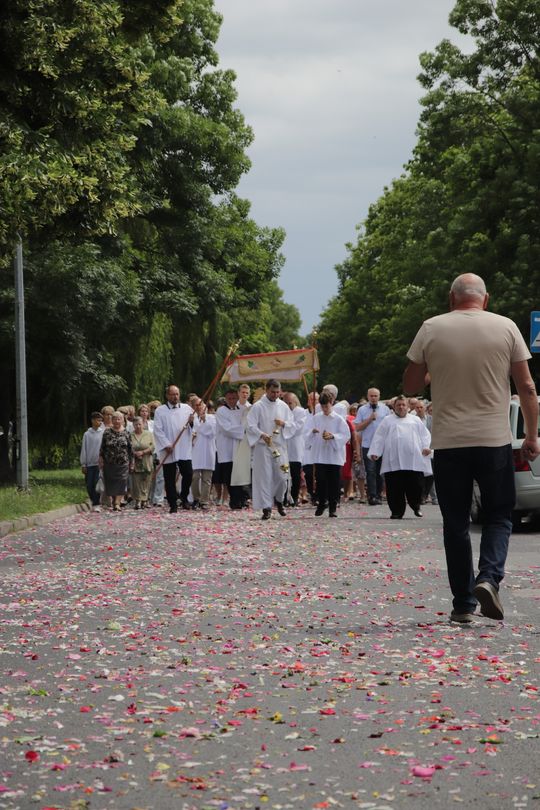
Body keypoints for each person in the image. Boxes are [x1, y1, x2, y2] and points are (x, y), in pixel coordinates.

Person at [404, 272, 540, 623]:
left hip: (449, 442)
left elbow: (411, 384)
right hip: (493, 439)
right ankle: (488, 578)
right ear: (486, 299)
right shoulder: (506, 326)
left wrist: (436, 369)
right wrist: (532, 435)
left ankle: (463, 605)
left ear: (451, 298)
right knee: (498, 515)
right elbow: (525, 386)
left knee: (455, 522)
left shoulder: (431, 327)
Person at [368, 395, 432, 519]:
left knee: (416, 485)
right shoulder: (387, 420)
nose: (401, 407)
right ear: (394, 407)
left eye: (403, 405)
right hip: (394, 460)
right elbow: (379, 437)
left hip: (413, 459)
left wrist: (426, 447)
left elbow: (425, 435)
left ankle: (416, 505)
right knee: (394, 487)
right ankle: (396, 511)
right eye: (398, 405)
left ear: (407, 407)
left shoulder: (415, 420)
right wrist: (376, 451)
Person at [247, 379, 295, 519]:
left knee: (281, 476)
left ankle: (279, 500)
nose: (275, 395)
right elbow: (250, 425)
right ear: (266, 390)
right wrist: (261, 435)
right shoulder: (258, 406)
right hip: (263, 447)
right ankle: (266, 507)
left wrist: (284, 423)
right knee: (264, 477)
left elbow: (292, 424)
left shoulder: (283, 406)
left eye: (277, 392)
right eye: (272, 392)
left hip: (279, 446)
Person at [153, 385, 194, 513]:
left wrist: (192, 422)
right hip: (168, 448)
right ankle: (172, 503)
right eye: (172, 394)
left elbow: (194, 426)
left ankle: (184, 497)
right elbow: (157, 430)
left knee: (188, 474)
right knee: (169, 478)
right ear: (167, 396)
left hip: (183, 447)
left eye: (177, 394)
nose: (175, 397)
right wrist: (166, 444)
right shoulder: (160, 410)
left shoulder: (187, 408)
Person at [311, 391, 350, 517]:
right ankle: (322, 502)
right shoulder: (316, 417)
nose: (324, 409)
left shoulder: (338, 419)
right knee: (321, 480)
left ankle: (333, 507)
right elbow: (307, 433)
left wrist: (333, 436)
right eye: (322, 407)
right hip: (320, 454)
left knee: (334, 481)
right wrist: (313, 432)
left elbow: (346, 435)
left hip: (333, 455)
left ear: (331, 403)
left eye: (326, 406)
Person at [354, 388, 390, 504]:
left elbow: (390, 426)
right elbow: (357, 427)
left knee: (380, 471)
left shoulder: (385, 409)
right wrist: (369, 419)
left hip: (381, 445)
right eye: (371, 396)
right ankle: (372, 496)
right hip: (367, 444)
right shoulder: (362, 410)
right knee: (370, 471)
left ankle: (379, 494)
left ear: (379, 396)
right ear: (368, 397)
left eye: (375, 396)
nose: (373, 398)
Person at [215, 389, 246, 509]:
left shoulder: (242, 410)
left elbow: (246, 423)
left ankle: (241, 499)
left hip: (239, 446)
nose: (232, 401)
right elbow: (226, 429)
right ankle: (234, 501)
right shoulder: (221, 411)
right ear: (226, 399)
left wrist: (243, 429)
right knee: (229, 476)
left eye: (234, 398)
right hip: (227, 447)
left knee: (240, 475)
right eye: (230, 399)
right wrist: (242, 430)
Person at [99, 410, 133, 511]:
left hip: (123, 462)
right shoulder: (107, 432)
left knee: (122, 482)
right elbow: (103, 447)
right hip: (109, 462)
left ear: (123, 420)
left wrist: (132, 462)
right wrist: (100, 458)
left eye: (119, 419)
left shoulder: (126, 432)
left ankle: (117, 502)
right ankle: (114, 501)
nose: (117, 421)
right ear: (112, 420)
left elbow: (130, 449)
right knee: (111, 482)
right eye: (115, 419)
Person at [191, 398, 217, 510]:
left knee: (207, 478)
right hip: (195, 451)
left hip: (208, 450)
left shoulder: (212, 418)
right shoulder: (191, 418)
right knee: (195, 476)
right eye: (196, 405)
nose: (199, 407)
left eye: (200, 404)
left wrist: (205, 420)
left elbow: (212, 433)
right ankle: (196, 498)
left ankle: (204, 500)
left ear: (204, 405)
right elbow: (190, 432)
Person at [282, 391, 307, 506]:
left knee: (296, 475)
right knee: (283, 474)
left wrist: (285, 425)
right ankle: (283, 497)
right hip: (284, 446)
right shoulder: (282, 412)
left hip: (296, 447)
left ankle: (294, 497)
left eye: (290, 403)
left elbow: (298, 428)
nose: (288, 405)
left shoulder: (301, 412)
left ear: (295, 402)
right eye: (285, 403)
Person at [80, 411, 104, 512]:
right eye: (98, 420)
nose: (100, 422)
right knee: (89, 484)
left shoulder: (102, 433)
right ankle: (92, 500)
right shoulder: (87, 434)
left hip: (98, 464)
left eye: (100, 420)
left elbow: (104, 448)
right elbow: (84, 449)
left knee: (96, 483)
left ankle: (96, 503)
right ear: (93, 421)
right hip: (89, 464)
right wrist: (83, 464)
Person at [130, 416, 155, 509]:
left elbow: (153, 446)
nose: (138, 426)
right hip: (135, 460)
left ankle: (145, 500)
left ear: (143, 424)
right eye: (136, 424)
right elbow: (128, 447)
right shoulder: (130, 435)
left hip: (146, 459)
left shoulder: (149, 434)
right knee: (136, 481)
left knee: (146, 480)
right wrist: (135, 453)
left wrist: (143, 452)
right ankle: (138, 501)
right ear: (133, 425)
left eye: (140, 424)